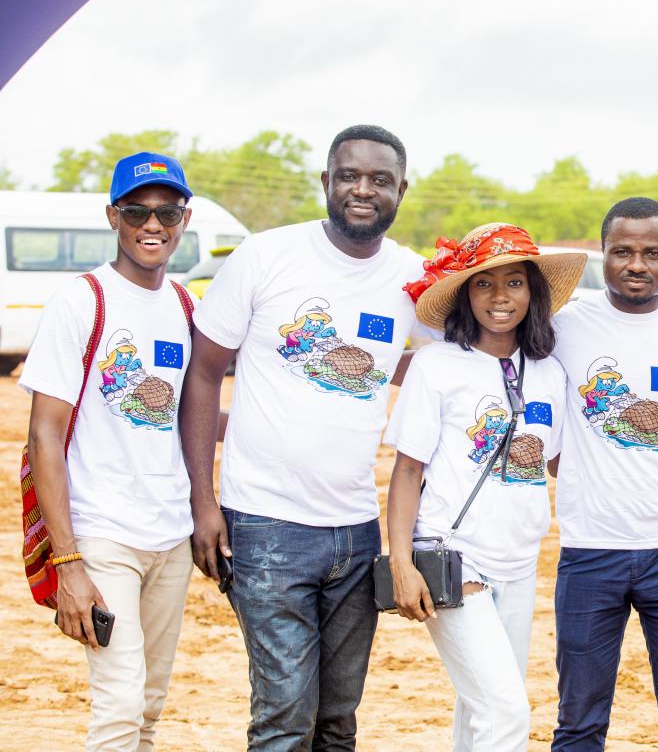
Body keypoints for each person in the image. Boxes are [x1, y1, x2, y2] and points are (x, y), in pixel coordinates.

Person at [180, 125, 432, 749]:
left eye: (380, 180)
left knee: (337, 721)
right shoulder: (266, 257)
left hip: (356, 529)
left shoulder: (413, 278)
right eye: (349, 176)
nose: (363, 190)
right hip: (264, 525)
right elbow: (203, 374)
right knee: (285, 717)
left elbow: (462, 355)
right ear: (326, 182)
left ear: (402, 190)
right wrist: (203, 501)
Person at [385, 223, 585, 751]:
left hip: (519, 562)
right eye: (484, 283)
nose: (500, 297)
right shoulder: (436, 366)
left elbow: (561, 462)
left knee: (481, 711)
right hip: (454, 558)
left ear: (533, 292)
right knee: (505, 713)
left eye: (514, 282)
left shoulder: (549, 373)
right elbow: (407, 472)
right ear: (465, 295)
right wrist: (401, 562)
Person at [22, 152, 197, 750]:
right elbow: (44, 435)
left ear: (184, 219)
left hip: (171, 534)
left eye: (167, 212)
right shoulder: (82, 301)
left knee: (148, 705)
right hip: (102, 534)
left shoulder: (187, 308)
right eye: (137, 211)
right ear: (112, 217)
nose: (152, 225)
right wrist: (68, 561)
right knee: (119, 705)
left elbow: (191, 419)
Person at [549, 197, 658, 750]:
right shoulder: (564, 327)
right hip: (589, 551)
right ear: (601, 253)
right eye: (622, 251)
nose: (637, 264)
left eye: (653, 253)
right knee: (578, 722)